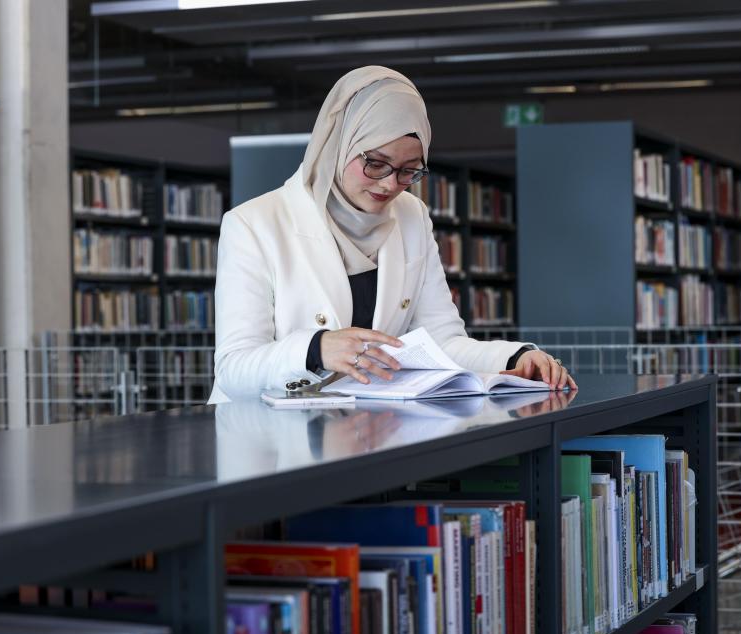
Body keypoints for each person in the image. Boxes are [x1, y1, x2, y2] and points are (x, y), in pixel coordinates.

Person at [208, 66, 575, 404]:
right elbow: (233, 369)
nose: (389, 185)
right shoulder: (254, 224)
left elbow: (440, 342)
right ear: (340, 145)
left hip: (368, 431)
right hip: (268, 438)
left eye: (408, 171)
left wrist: (516, 356)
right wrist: (316, 349)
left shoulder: (412, 216)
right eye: (376, 163)